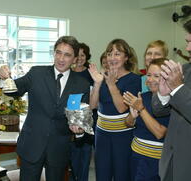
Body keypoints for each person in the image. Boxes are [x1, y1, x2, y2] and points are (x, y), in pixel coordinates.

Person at [0, 36, 90, 181]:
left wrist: (79, 132)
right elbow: (14, 90)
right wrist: (4, 78)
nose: (61, 58)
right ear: (54, 53)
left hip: (59, 148)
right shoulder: (36, 73)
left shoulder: (82, 84)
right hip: (32, 144)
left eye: (67, 55)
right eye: (58, 53)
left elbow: (81, 118)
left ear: (74, 59)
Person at [89, 39, 141, 181]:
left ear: (126, 58)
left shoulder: (134, 79)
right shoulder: (102, 77)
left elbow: (122, 108)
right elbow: (92, 106)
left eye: (117, 54)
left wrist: (111, 85)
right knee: (102, 174)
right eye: (109, 54)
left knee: (122, 174)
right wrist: (98, 83)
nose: (112, 58)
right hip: (101, 134)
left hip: (122, 135)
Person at [151, 20, 191, 181]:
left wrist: (177, 89)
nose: (187, 48)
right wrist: (164, 94)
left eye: (190, 43)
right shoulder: (185, 70)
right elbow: (159, 111)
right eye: (188, 42)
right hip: (171, 159)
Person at [123, 58, 169, 181]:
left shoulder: (171, 102)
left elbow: (160, 133)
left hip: (155, 161)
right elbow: (127, 124)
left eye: (156, 76)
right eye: (148, 75)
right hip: (135, 155)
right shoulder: (142, 97)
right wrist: (132, 117)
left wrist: (142, 110)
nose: (150, 79)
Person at [70, 42, 94, 181]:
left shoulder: (91, 73)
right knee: (72, 157)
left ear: (87, 57)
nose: (79, 58)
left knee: (85, 155)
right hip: (70, 120)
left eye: (83, 55)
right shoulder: (68, 72)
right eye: (77, 55)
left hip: (88, 119)